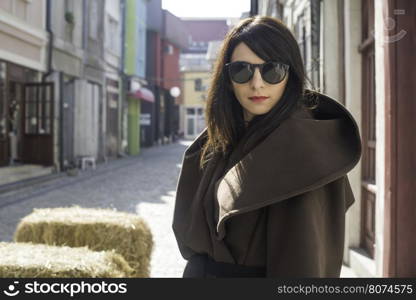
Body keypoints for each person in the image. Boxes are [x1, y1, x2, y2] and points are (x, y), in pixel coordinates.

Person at [172, 16, 362, 278]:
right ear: (227, 78)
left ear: (290, 76)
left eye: (272, 70)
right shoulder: (217, 141)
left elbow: (303, 267)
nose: (257, 83)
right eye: (242, 70)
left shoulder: (304, 151)